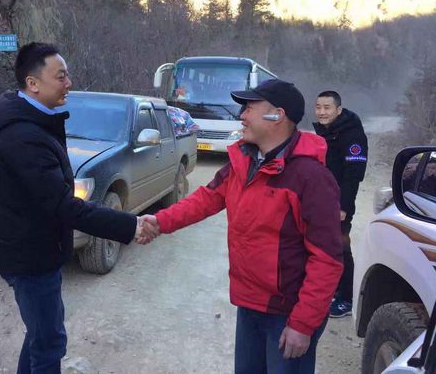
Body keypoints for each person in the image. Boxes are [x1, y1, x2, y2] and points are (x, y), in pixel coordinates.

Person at [141, 79, 343, 374]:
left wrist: (303, 323)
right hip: (250, 304)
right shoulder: (244, 161)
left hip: (288, 313)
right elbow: (205, 199)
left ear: (277, 115)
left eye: (249, 108)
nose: (242, 115)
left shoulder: (311, 177)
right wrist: (159, 221)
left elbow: (327, 259)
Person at [0, 42, 156, 374]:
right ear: (33, 83)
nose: (69, 83)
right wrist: (131, 226)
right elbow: (63, 206)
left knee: (41, 336)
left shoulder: (35, 122)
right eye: (61, 76)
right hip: (30, 258)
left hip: (35, 251)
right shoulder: (24, 136)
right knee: (48, 343)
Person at [314, 90, 368, 318]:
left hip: (339, 205)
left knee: (340, 249)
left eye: (327, 107)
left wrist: (343, 206)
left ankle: (347, 298)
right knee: (323, 247)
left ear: (338, 110)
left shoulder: (352, 135)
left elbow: (354, 174)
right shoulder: (327, 132)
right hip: (322, 201)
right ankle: (334, 289)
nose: (321, 112)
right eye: (318, 107)